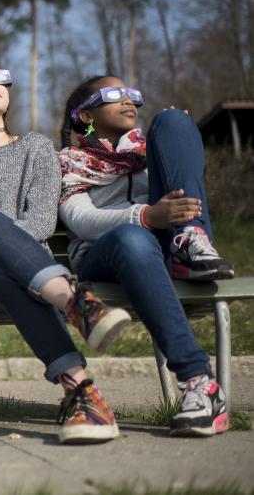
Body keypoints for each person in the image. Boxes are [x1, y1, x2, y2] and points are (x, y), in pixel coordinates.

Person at [0, 57, 131, 444]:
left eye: (0, 77)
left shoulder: (36, 148)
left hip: (12, 269)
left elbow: (40, 224)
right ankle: (75, 303)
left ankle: (82, 391)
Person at [58, 75, 233, 436]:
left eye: (132, 95)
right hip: (106, 257)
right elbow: (80, 218)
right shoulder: (68, 161)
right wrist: (145, 217)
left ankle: (189, 241)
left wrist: (175, 142)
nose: (129, 102)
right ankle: (197, 379)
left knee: (173, 121)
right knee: (132, 238)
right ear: (85, 115)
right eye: (114, 95)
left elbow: (182, 191)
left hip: (173, 248)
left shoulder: (148, 151)